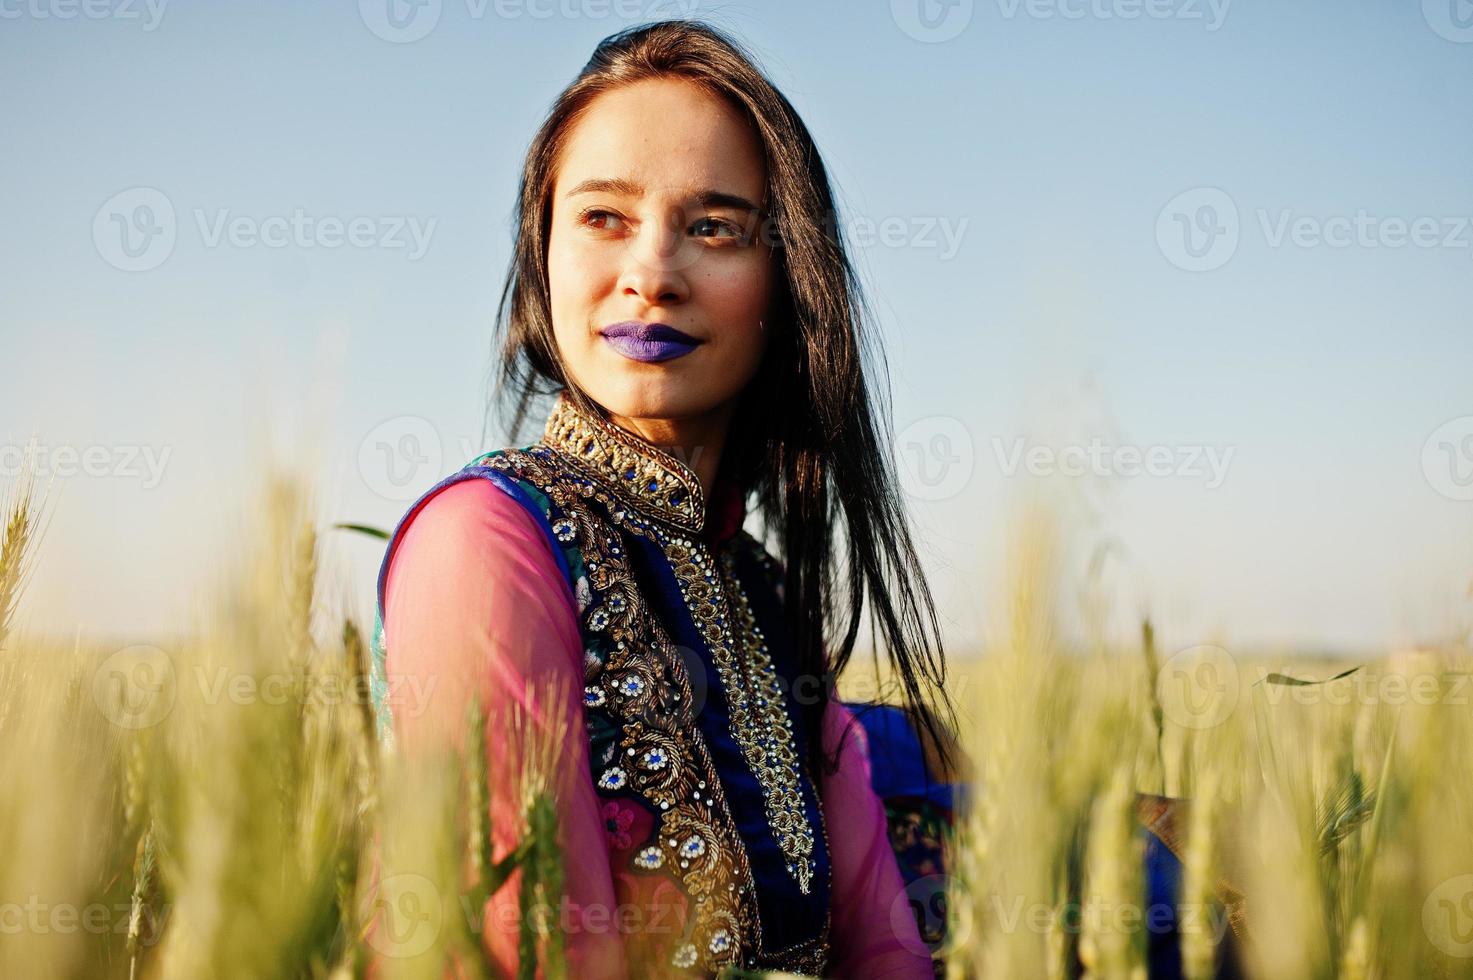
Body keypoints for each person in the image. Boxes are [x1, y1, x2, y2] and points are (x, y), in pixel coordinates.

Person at [369, 20, 959, 978]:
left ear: (786, 279)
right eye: (602, 218)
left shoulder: (764, 591)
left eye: (715, 227)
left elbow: (881, 945)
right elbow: (538, 954)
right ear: (542, 257)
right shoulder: (486, 543)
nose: (651, 274)